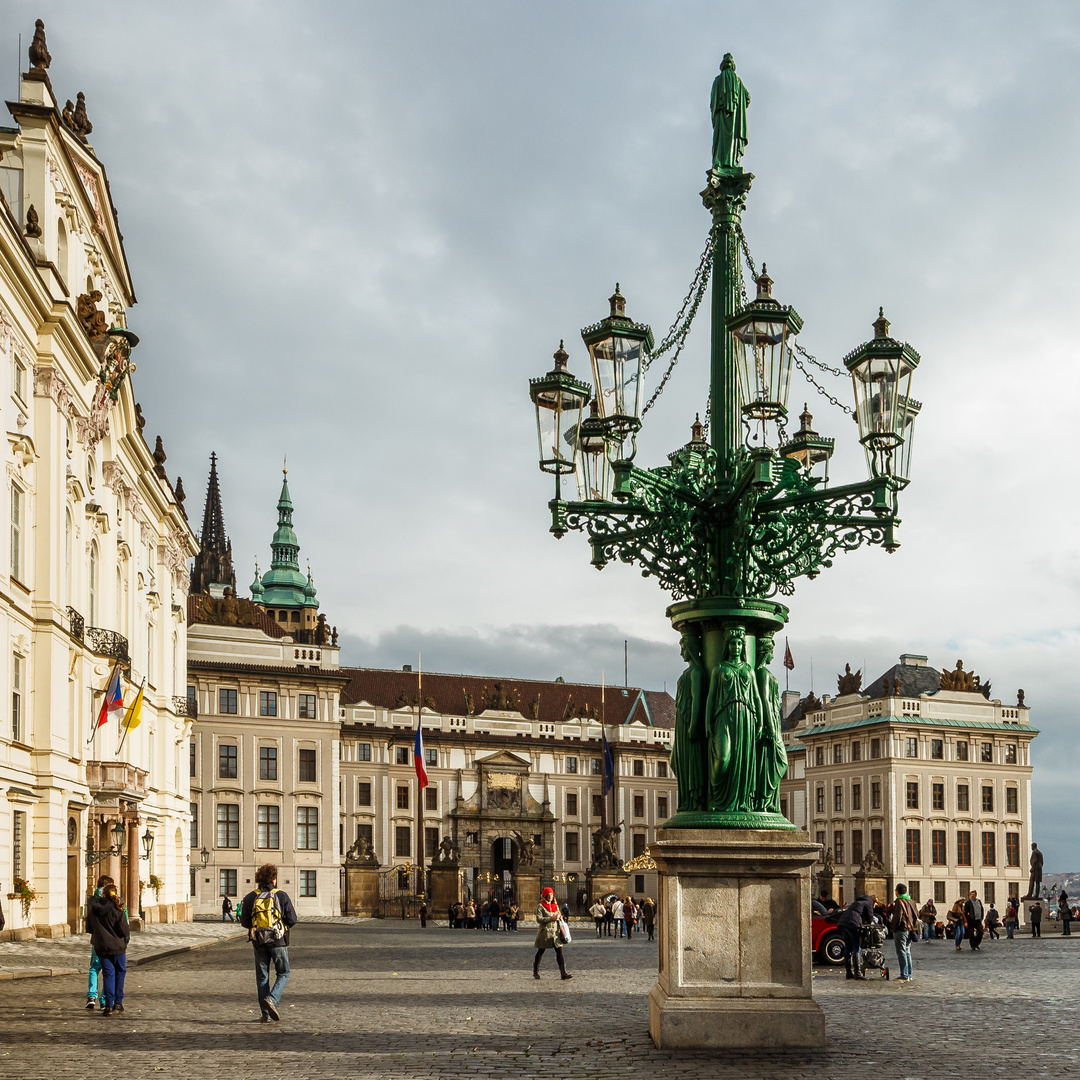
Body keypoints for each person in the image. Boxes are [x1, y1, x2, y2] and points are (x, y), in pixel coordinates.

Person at [239, 862, 298, 1023]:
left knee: (262, 977)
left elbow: (244, 921)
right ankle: (272, 999)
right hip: (278, 941)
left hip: (259, 942)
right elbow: (293, 919)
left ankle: (265, 1014)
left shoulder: (251, 896)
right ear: (274, 879)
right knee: (284, 973)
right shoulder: (281, 895)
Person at [86, 883, 129, 1016]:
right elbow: (124, 931)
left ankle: (108, 1006)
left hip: (101, 947)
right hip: (117, 947)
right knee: (120, 973)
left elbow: (89, 928)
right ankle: (118, 1003)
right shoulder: (118, 908)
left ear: (103, 895)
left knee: (108, 974)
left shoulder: (94, 909)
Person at [85, 874, 113, 1010]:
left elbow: (88, 924)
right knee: (108, 970)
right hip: (112, 943)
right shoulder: (115, 901)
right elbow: (124, 923)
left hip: (97, 940)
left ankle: (91, 996)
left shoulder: (92, 901)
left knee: (94, 968)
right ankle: (104, 1000)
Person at [533, 887, 572, 981]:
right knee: (540, 952)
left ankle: (563, 973)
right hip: (545, 933)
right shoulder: (540, 906)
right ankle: (535, 971)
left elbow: (558, 914)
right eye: (548, 895)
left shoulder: (555, 905)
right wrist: (551, 918)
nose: (550, 897)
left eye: (551, 895)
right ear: (545, 896)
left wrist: (560, 917)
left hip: (555, 933)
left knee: (559, 952)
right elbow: (539, 919)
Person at [837, 893, 876, 979]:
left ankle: (848, 972)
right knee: (856, 947)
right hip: (852, 924)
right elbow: (870, 916)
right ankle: (857, 972)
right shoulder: (868, 903)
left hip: (843, 923)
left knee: (847, 947)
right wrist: (871, 924)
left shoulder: (856, 903)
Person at [889, 883, 920, 983]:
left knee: (901, 952)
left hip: (901, 929)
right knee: (907, 952)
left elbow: (898, 916)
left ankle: (904, 974)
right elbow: (916, 914)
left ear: (897, 891)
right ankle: (909, 974)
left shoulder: (899, 901)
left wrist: (893, 927)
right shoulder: (911, 901)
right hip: (910, 929)